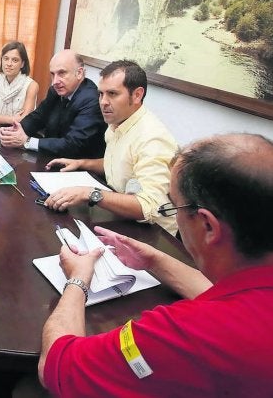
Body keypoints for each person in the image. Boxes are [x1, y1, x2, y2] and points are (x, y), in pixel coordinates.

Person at [38, 133, 273, 397]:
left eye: (175, 206)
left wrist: (78, 280)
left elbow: (58, 366)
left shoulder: (187, 333)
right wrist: (153, 260)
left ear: (207, 225)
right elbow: (231, 299)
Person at [44, 60, 178, 235]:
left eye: (112, 94)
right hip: (122, 218)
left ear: (137, 95)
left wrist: (90, 193)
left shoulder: (152, 138)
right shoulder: (117, 122)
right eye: (101, 94)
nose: (103, 102)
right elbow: (119, 162)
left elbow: (149, 207)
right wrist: (81, 163)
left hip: (154, 234)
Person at [0, 49, 106, 158]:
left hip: (78, 166)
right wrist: (14, 131)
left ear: (79, 73)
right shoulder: (55, 91)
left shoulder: (92, 100)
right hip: (51, 157)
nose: (55, 81)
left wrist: (27, 141)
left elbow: (74, 144)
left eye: (62, 73)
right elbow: (38, 116)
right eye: (53, 74)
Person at [0, 41, 39, 125]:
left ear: (22, 64)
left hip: (18, 133)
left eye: (15, 60)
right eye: (6, 58)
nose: (9, 64)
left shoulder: (31, 85)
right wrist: (13, 119)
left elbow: (25, 119)